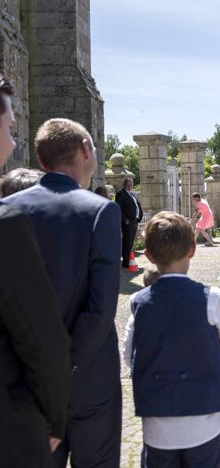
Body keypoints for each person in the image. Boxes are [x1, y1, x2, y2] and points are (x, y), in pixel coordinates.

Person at [5, 118, 122, 467]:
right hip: (88, 381)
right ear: (86, 149)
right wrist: (63, 367)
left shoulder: (8, 212)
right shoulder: (100, 211)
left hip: (26, 385)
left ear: (42, 161)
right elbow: (100, 310)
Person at [123, 212, 220, 468]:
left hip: (158, 418)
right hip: (205, 415)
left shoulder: (138, 302)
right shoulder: (212, 298)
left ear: (150, 256)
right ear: (192, 249)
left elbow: (129, 355)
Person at [0, 77, 71, 466]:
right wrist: (55, 419)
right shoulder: (6, 225)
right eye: (9, 128)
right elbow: (43, 341)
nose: (13, 143)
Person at [115, 177, 143, 268]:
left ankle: (129, 260)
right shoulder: (121, 194)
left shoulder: (132, 194)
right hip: (127, 222)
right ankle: (126, 262)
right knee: (127, 242)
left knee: (130, 242)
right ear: (125, 184)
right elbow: (118, 208)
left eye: (131, 184)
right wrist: (124, 219)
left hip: (134, 221)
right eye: (129, 184)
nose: (130, 186)